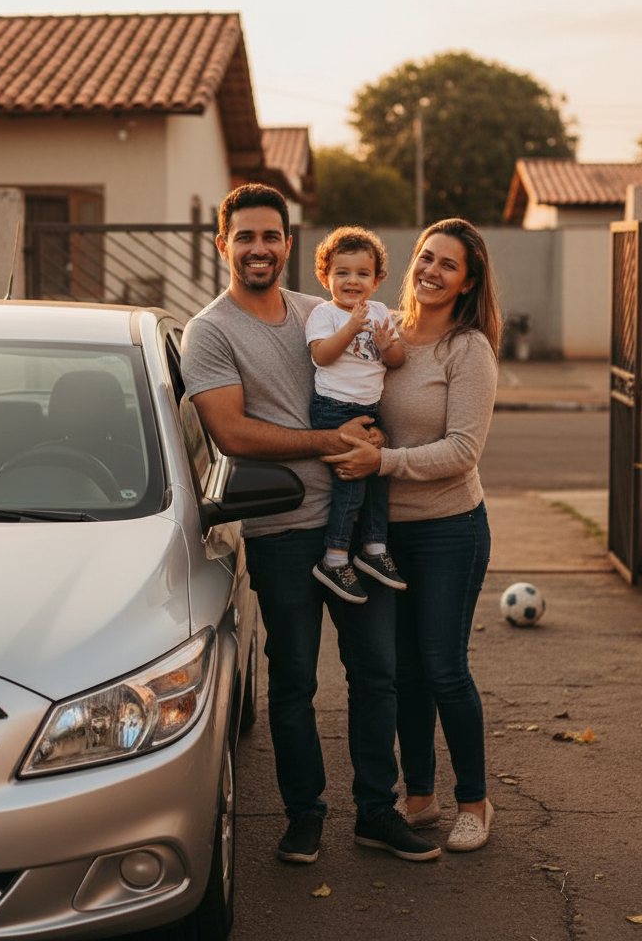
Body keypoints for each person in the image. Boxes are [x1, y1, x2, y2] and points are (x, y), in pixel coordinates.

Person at [181, 184, 440, 865]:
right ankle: (305, 816)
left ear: (288, 245)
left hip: (357, 530)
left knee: (377, 674)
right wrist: (331, 442)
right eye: (245, 236)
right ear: (223, 244)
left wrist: (382, 436)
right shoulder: (210, 331)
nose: (258, 248)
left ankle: (376, 812)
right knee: (294, 682)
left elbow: (387, 371)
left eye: (270, 236)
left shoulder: (320, 309)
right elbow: (232, 432)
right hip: (283, 530)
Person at [324, 217, 501, 853]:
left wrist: (383, 461)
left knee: (444, 668)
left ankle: (474, 802)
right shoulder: (382, 329)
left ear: (467, 282)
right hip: (383, 537)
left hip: (450, 528)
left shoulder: (467, 349)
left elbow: (462, 450)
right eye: (426, 257)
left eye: (448, 265)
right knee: (403, 672)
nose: (431, 271)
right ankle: (420, 797)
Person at [306, 227, 406, 603]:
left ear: (376, 281)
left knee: (378, 471)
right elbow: (321, 355)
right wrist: (350, 328)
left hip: (368, 410)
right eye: (342, 272)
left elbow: (397, 360)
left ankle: (374, 548)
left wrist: (386, 345)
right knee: (351, 482)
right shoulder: (324, 314)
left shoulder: (380, 313)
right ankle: (334, 558)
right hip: (334, 408)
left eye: (363, 273)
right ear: (325, 277)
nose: (352, 281)